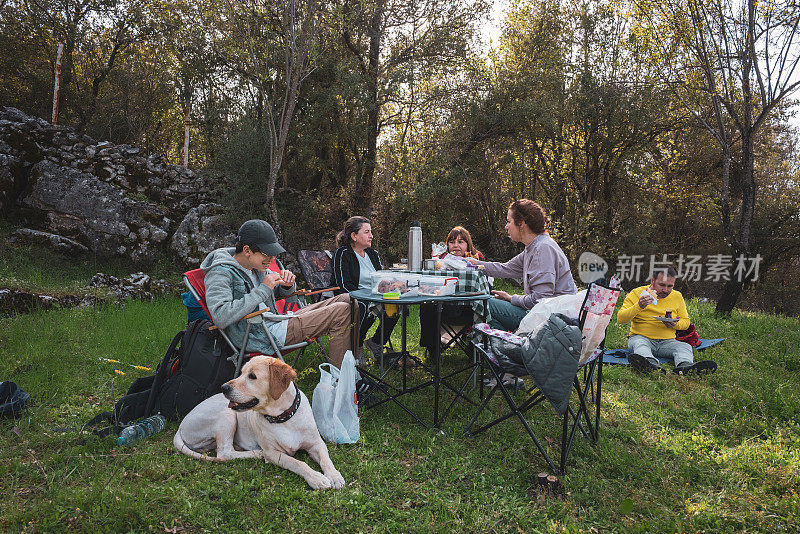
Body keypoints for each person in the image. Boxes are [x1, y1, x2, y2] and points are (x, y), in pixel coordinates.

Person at [202, 220, 354, 368]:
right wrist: (263, 289)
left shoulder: (255, 266)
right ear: (247, 250)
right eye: (267, 254)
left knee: (350, 300)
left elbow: (275, 292)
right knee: (342, 311)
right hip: (259, 334)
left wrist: (287, 286)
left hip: (276, 321)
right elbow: (220, 316)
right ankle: (342, 383)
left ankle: (353, 365)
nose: (272, 259)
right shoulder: (220, 272)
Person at [465, 199, 577, 332]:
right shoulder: (533, 247)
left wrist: (511, 298)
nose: (506, 226)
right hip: (544, 314)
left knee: (485, 304)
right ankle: (512, 345)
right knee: (486, 308)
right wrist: (475, 264)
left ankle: (513, 346)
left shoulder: (543, 249)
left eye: (509, 221)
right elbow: (505, 268)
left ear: (521, 223)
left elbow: (540, 300)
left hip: (555, 321)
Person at [617, 266, 717, 375]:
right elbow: (621, 319)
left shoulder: (677, 296)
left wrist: (675, 324)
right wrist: (639, 305)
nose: (665, 290)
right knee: (639, 344)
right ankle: (650, 364)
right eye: (662, 285)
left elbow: (686, 322)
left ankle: (685, 366)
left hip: (667, 342)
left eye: (670, 286)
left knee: (684, 346)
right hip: (641, 337)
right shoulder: (637, 293)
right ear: (652, 281)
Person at [333, 216, 400, 361]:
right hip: (353, 299)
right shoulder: (343, 253)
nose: (371, 236)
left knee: (395, 305)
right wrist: (365, 295)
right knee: (362, 306)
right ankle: (356, 346)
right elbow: (343, 285)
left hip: (375, 296)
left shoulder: (372, 254)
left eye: (371, 232)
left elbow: (381, 278)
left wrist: (392, 285)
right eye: (367, 232)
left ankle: (376, 343)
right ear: (354, 236)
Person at [419, 226, 483, 350]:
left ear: (468, 245)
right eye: (452, 242)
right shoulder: (440, 262)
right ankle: (433, 349)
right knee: (426, 304)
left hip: (468, 309)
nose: (456, 245)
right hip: (443, 308)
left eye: (460, 242)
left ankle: (475, 349)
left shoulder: (477, 261)